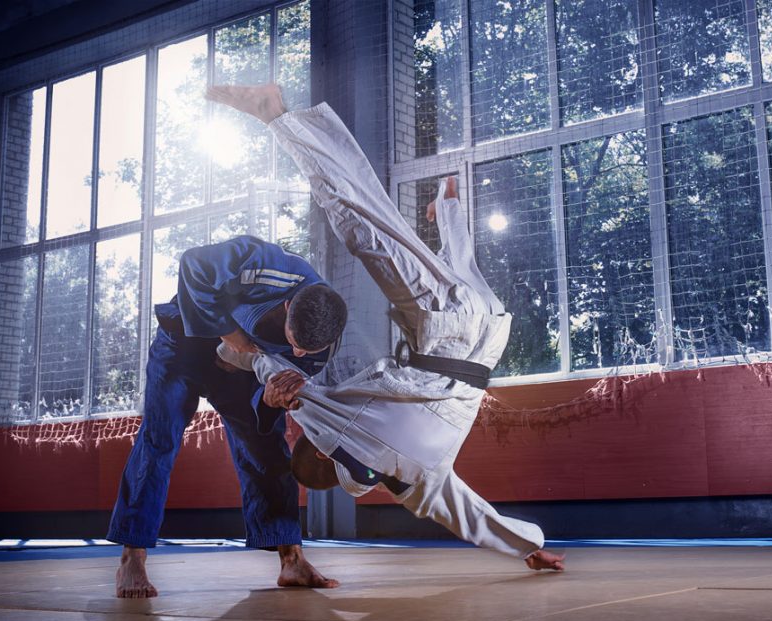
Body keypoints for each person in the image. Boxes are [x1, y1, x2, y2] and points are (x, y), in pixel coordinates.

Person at [207, 84, 564, 572]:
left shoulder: (416, 485)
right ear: (319, 445)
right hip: (449, 332)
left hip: (485, 337)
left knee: (450, 272)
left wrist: (528, 546)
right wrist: (239, 356)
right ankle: (277, 116)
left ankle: (450, 212)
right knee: (361, 221)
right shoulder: (331, 424)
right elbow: (267, 366)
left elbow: (470, 516)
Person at [107, 235, 348, 598]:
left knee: (267, 448)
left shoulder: (320, 345)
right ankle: (133, 557)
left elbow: (275, 392)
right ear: (287, 306)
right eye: (294, 340)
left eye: (305, 350)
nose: (298, 352)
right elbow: (193, 264)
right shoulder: (264, 262)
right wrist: (231, 335)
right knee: (159, 441)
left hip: (242, 371)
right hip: (183, 345)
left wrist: (270, 400)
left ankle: (291, 559)